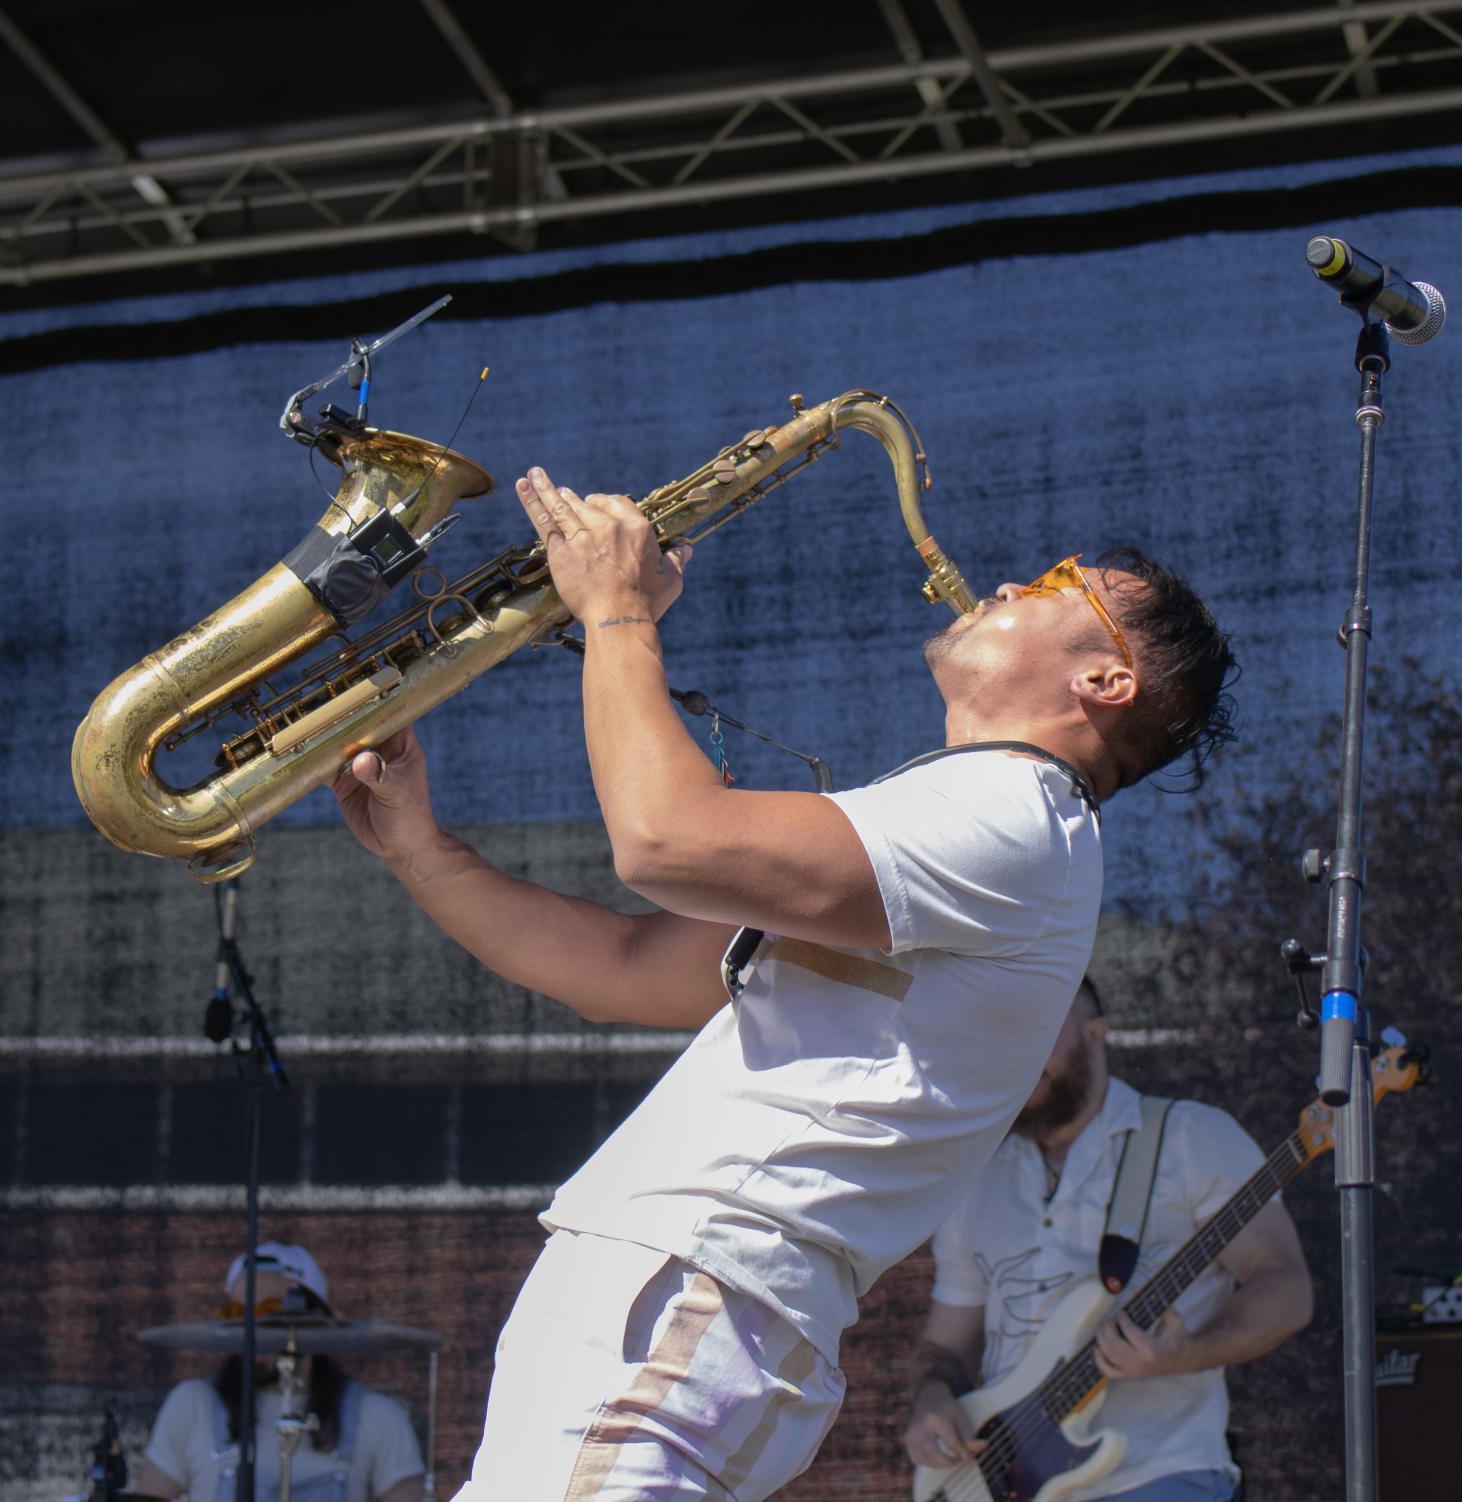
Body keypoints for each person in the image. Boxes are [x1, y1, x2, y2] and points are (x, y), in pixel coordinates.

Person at [329, 467, 1237, 1500]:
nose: (1006, 585)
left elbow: (667, 840)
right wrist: (423, 852)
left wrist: (619, 610)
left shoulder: (1017, 811)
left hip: (699, 1283)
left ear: (1106, 682)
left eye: (1056, 581)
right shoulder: (995, 829)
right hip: (697, 1292)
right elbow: (620, 968)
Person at [903, 980, 1313, 1502]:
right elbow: (944, 1347)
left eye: (1038, 1031)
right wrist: (931, 1396)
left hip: (1159, 1473)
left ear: (1096, 1034)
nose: (1019, 1052)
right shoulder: (979, 1181)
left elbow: (1286, 1287)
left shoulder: (1190, 1138)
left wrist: (1186, 1353)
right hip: (1002, 1483)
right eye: (1004, 1036)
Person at [135, 1242, 426, 1502]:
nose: (254, 1329)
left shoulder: (377, 1417)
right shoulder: (192, 1405)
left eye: (271, 1312)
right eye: (240, 1314)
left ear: (317, 1319)